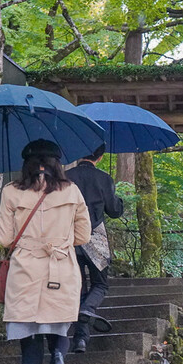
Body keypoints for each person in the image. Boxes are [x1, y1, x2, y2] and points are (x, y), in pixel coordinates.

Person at [0, 139, 91, 364]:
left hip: (25, 273)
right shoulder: (72, 191)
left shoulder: (11, 191)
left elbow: (4, 239)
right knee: (59, 322)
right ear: (56, 162)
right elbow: (83, 235)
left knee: (30, 350)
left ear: (27, 162)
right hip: (60, 269)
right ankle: (60, 359)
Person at [66, 145, 125, 353]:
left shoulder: (65, 178)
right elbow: (115, 211)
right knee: (100, 285)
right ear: (100, 157)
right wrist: (117, 198)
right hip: (95, 239)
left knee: (79, 287)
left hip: (69, 239)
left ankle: (80, 339)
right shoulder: (104, 179)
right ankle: (87, 310)